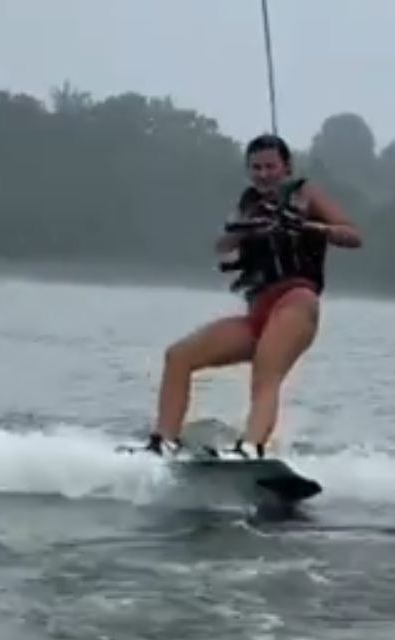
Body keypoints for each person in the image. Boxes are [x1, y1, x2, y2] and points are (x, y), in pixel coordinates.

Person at [139, 133, 362, 459]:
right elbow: (223, 247)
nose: (263, 174)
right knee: (178, 356)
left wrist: (307, 226)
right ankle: (164, 442)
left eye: (270, 166)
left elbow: (353, 236)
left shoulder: (305, 194)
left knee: (265, 371)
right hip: (259, 312)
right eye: (256, 168)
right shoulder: (247, 206)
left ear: (286, 167)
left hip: (297, 301)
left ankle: (251, 447)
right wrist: (251, 226)